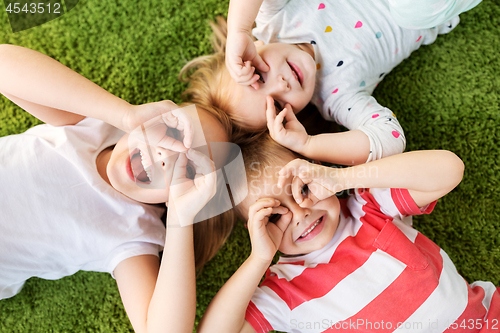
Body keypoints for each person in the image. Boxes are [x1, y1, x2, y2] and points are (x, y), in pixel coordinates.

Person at [0, 44, 235, 333]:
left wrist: (180, 218)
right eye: (173, 133)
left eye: (186, 169)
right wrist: (125, 115)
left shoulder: (132, 233)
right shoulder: (94, 125)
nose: (165, 155)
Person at [197, 134, 500, 333]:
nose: (300, 213)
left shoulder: (368, 207)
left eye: (303, 189)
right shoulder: (283, 291)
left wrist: (342, 178)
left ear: (317, 171)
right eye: (275, 215)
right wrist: (258, 259)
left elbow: (450, 169)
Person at [182, 0, 481, 165]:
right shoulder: (337, 97)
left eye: (260, 76)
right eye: (277, 105)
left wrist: (240, 31)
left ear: (256, 44)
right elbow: (390, 139)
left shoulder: (275, 18)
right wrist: (308, 145)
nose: (282, 85)